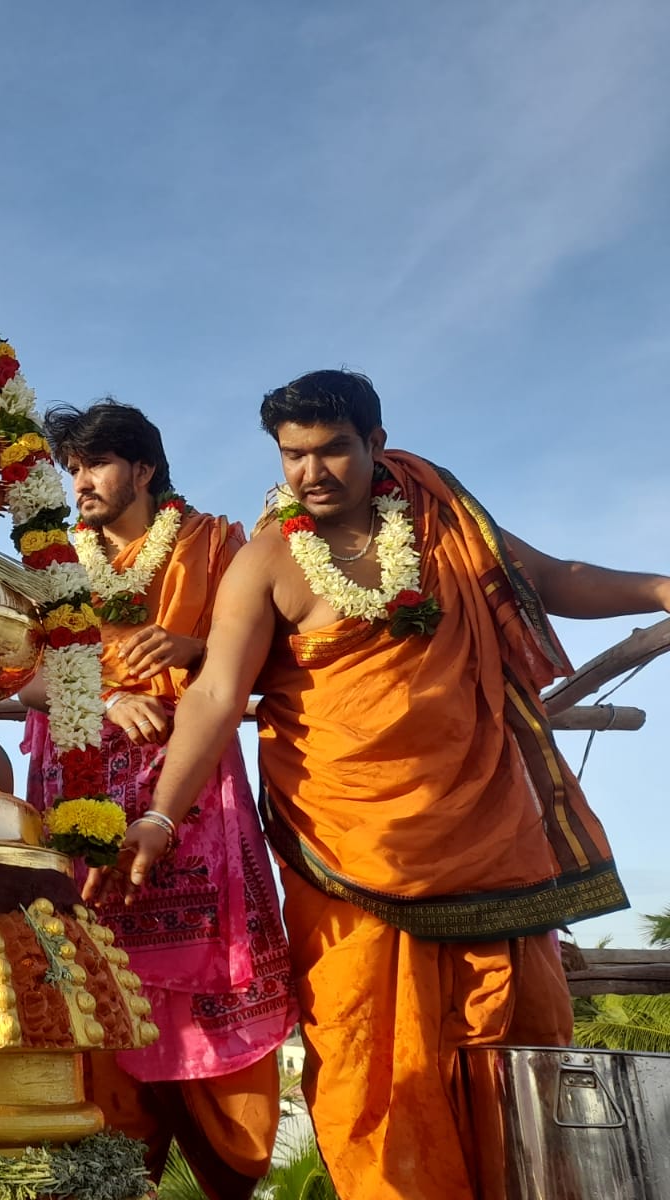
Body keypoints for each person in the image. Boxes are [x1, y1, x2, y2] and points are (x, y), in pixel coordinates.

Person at [103, 370, 670, 1198]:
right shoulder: (266, 563)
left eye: (333, 449)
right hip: (345, 844)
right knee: (369, 1062)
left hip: (486, 828)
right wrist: (159, 815)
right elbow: (219, 694)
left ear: (376, 442)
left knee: (517, 1040)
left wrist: (660, 589)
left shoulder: (446, 525)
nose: (312, 472)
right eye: (294, 456)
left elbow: (550, 577)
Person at [22, 401, 294, 1200]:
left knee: (209, 980)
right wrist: (99, 693)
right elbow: (14, 671)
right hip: (78, 792)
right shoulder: (49, 565)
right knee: (91, 981)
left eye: (95, 465)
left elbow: (268, 648)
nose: (80, 485)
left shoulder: (215, 543)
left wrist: (196, 645)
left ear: (142, 469)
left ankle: (228, 1166)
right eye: (71, 469)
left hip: (191, 793)